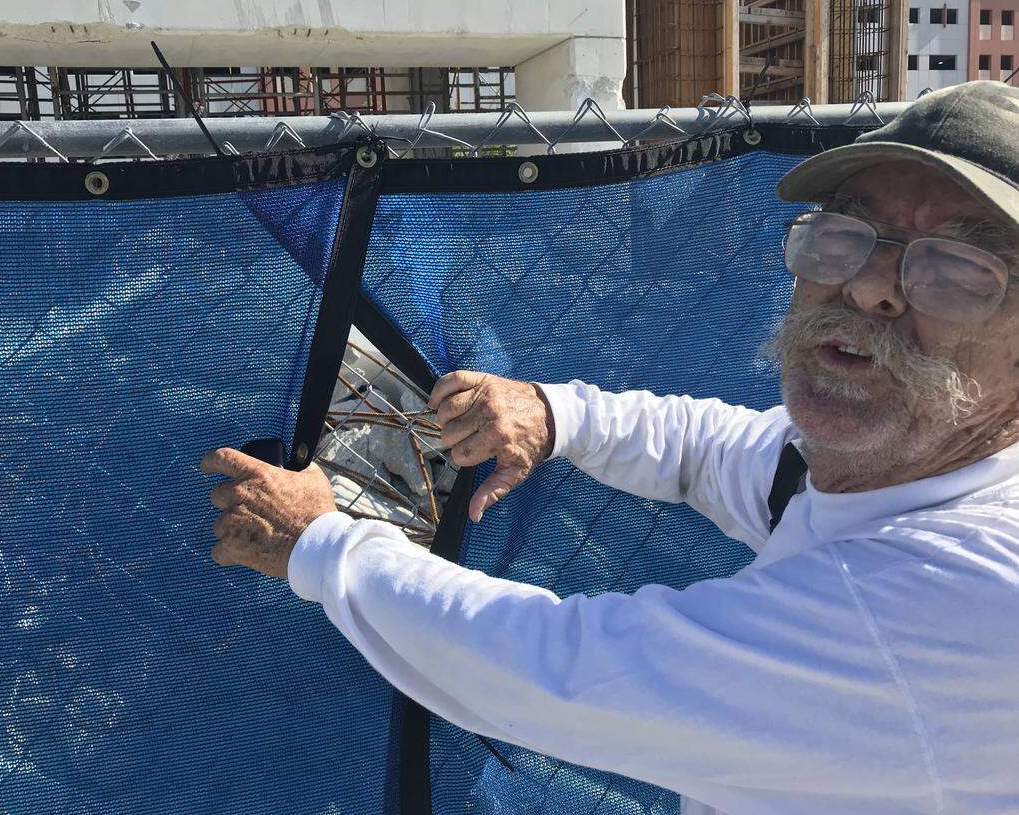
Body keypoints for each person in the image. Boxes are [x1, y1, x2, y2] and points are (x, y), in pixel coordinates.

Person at [202, 81, 1019, 814]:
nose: (871, 285)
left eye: (954, 267)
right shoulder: (890, 468)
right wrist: (556, 414)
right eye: (849, 234)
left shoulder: (958, 595)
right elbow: (718, 449)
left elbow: (556, 674)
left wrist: (319, 543)